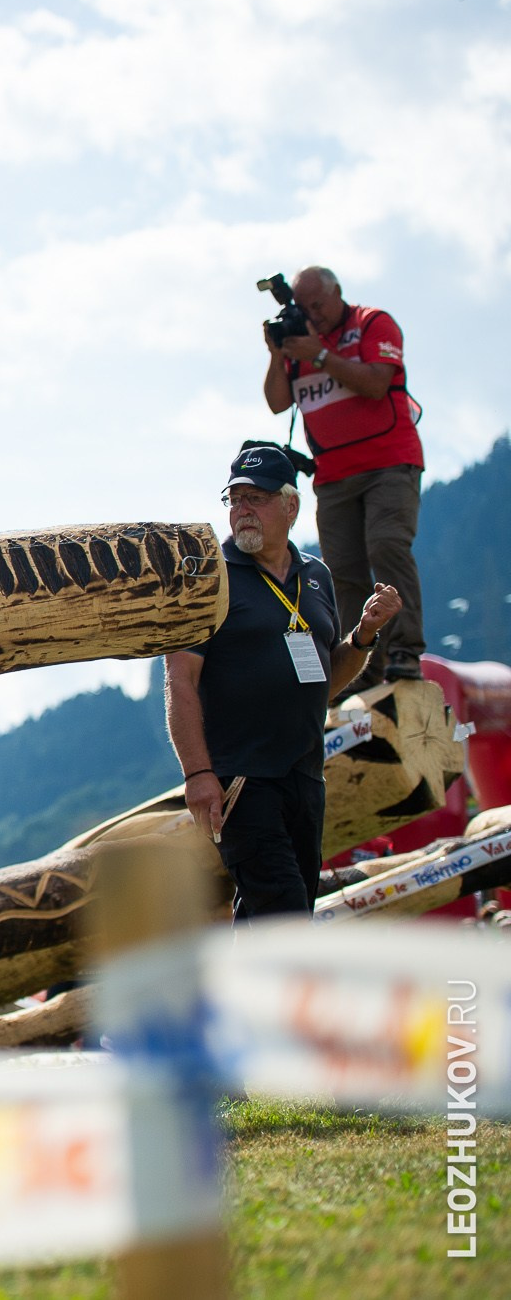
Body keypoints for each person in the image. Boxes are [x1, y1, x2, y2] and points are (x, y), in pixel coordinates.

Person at [164, 445, 403, 920]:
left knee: (264, 920)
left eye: (257, 498)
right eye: (235, 499)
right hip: (242, 782)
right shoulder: (207, 577)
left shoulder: (316, 576)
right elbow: (179, 680)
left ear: (290, 506)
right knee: (286, 916)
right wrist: (197, 774)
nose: (242, 511)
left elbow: (323, 682)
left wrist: (364, 635)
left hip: (306, 777)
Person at [262, 265, 425, 683]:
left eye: (318, 305)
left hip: (388, 462)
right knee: (343, 572)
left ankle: (405, 651)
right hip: (333, 475)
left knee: (387, 545)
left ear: (338, 295)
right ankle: (363, 666)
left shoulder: (372, 323)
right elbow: (277, 402)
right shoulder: (298, 341)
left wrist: (318, 355)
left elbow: (375, 383)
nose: (312, 314)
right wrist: (278, 352)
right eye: (304, 307)